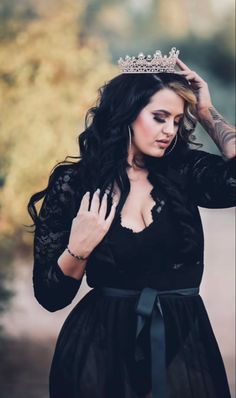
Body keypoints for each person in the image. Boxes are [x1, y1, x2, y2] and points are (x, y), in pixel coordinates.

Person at [27, 48, 236, 398]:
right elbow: (49, 296)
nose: (170, 130)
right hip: (98, 351)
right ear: (127, 113)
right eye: (159, 117)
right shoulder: (74, 183)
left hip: (183, 346)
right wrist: (78, 249)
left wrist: (205, 111)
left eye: (176, 120)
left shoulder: (184, 172)